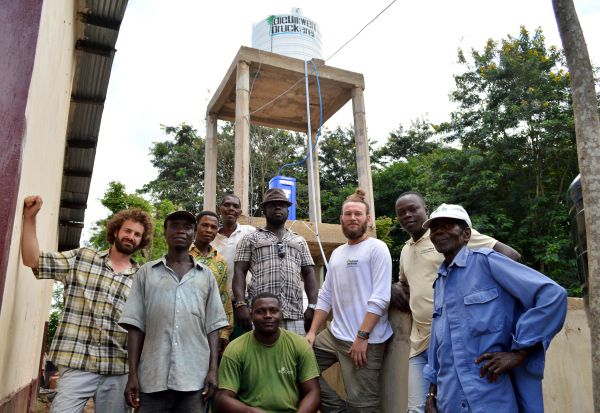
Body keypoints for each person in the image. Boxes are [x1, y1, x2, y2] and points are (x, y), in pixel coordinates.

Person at [421, 204, 567, 413]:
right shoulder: (440, 282)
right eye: (434, 228)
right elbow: (438, 346)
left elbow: (553, 296)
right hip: (449, 399)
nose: (439, 232)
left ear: (466, 234)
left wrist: (519, 352)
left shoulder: (487, 263)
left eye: (448, 225)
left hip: (489, 396)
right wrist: (432, 394)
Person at [20, 195, 153, 413]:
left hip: (117, 368)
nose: (131, 237)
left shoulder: (142, 278)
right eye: (127, 231)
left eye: (137, 234)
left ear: (142, 240)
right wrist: (30, 218)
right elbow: (33, 259)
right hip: (77, 362)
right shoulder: (82, 258)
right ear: (116, 231)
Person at [391, 191, 521, 413]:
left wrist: (483, 298)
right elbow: (405, 284)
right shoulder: (405, 250)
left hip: (455, 340)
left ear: (426, 208)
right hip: (420, 343)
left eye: (413, 209)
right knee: (418, 408)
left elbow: (511, 256)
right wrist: (391, 288)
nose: (407, 215)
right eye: (401, 212)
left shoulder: (447, 234)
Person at [119, 210, 228, 412]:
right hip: (152, 379)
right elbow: (135, 326)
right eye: (175, 226)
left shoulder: (206, 277)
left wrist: (213, 371)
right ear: (165, 232)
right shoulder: (146, 273)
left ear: (194, 233)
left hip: (195, 380)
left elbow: (213, 327)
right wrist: (132, 374)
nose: (181, 231)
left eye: (187, 227)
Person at [306, 188, 392, 413]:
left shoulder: (377, 248)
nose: (353, 218)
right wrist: (313, 332)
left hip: (365, 340)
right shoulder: (337, 253)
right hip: (333, 336)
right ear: (341, 218)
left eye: (358, 214)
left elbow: (381, 298)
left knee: (362, 406)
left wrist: (362, 336)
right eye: (348, 214)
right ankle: (336, 409)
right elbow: (326, 296)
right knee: (298, 367)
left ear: (368, 219)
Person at [216, 292, 320, 413]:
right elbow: (223, 398)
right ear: (251, 316)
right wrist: (251, 412)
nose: (267, 316)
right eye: (260, 311)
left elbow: (313, 392)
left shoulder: (299, 344)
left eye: (273, 311)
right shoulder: (235, 348)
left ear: (281, 314)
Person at [233, 188, 318, 336]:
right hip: (261, 315)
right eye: (272, 204)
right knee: (260, 357)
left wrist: (312, 305)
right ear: (264, 210)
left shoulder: (299, 240)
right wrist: (241, 304)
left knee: (293, 357)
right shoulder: (250, 239)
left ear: (287, 210)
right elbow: (239, 272)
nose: (278, 207)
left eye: (282, 205)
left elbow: (309, 273)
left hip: (295, 314)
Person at [189, 210, 234, 355]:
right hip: (185, 323)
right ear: (196, 227)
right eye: (205, 225)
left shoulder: (220, 261)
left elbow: (224, 297)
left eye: (213, 227)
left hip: (210, 328)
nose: (209, 230)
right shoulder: (182, 254)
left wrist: (225, 333)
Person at [211, 194, 256, 299]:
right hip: (216, 298)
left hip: (244, 298)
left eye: (235, 206)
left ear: (239, 212)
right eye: (227, 205)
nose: (231, 208)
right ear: (220, 209)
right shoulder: (211, 237)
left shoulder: (250, 232)